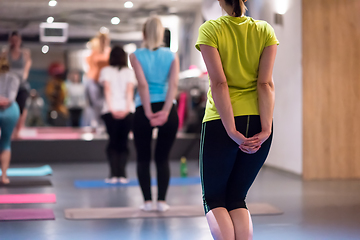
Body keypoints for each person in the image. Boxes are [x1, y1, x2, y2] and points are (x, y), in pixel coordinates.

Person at [195, 0, 279, 239]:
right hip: (258, 120)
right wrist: (266, 128)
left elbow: (219, 83)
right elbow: (265, 84)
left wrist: (231, 130)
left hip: (221, 122)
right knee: (236, 198)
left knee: (214, 198)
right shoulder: (265, 30)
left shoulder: (210, 29)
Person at [130, 16, 179, 212]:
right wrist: (165, 111)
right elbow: (173, 85)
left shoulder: (135, 55)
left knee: (143, 157)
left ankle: (147, 202)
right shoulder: (172, 55)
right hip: (168, 109)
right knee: (162, 157)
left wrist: (149, 112)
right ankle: (162, 202)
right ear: (161, 34)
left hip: (144, 109)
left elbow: (142, 84)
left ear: (143, 33)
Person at [99, 46, 135, 184]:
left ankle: (113, 174)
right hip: (127, 111)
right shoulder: (129, 72)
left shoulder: (105, 71)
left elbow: (107, 90)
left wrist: (112, 108)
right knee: (123, 142)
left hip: (110, 111)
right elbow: (129, 91)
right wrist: (126, 109)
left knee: (113, 143)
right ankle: (123, 175)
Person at [1, 31, 32, 139]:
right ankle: (8, 129)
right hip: (8, 85)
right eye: (12, 40)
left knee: (21, 108)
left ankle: (18, 131)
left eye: (16, 40)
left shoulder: (25, 53)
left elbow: (27, 66)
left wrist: (23, 76)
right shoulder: (5, 53)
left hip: (21, 84)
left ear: (20, 41)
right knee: (7, 105)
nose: (15, 42)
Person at [0, 57, 20, 184]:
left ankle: (4, 176)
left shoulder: (13, 78)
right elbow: (11, 98)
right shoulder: (14, 78)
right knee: (6, 143)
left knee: (6, 142)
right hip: (10, 111)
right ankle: (4, 176)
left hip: (8, 110)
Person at [85, 33, 111, 128]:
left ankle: (105, 123)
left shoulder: (109, 52)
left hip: (106, 81)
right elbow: (90, 65)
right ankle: (97, 122)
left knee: (106, 102)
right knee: (96, 103)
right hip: (95, 80)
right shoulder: (94, 53)